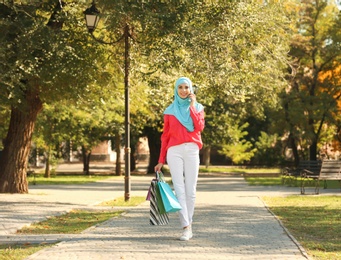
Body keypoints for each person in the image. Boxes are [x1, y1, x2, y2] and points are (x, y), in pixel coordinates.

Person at [154, 76, 205, 241]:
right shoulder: (169, 111)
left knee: (191, 191)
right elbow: (165, 136)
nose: (183, 90)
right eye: (180, 87)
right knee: (179, 189)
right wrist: (161, 159)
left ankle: (189, 223)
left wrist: (192, 106)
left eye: (186, 87)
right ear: (176, 90)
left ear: (190, 89)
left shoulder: (197, 108)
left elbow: (199, 127)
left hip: (192, 149)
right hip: (174, 151)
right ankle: (186, 227)